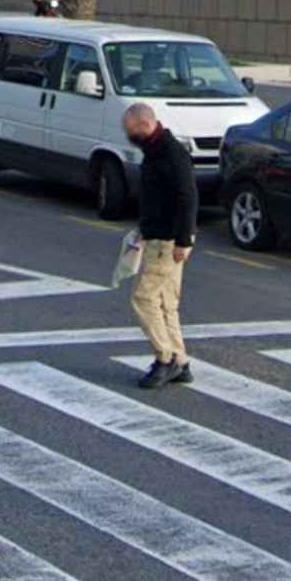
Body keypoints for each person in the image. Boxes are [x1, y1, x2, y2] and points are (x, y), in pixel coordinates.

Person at [122, 102, 197, 389]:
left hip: (169, 241)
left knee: (143, 298)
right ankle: (180, 360)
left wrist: (184, 240)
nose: (129, 136)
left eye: (131, 131)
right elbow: (156, 196)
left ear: (144, 125)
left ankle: (165, 358)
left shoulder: (171, 153)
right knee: (166, 303)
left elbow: (188, 197)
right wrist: (144, 227)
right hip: (158, 236)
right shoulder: (153, 151)